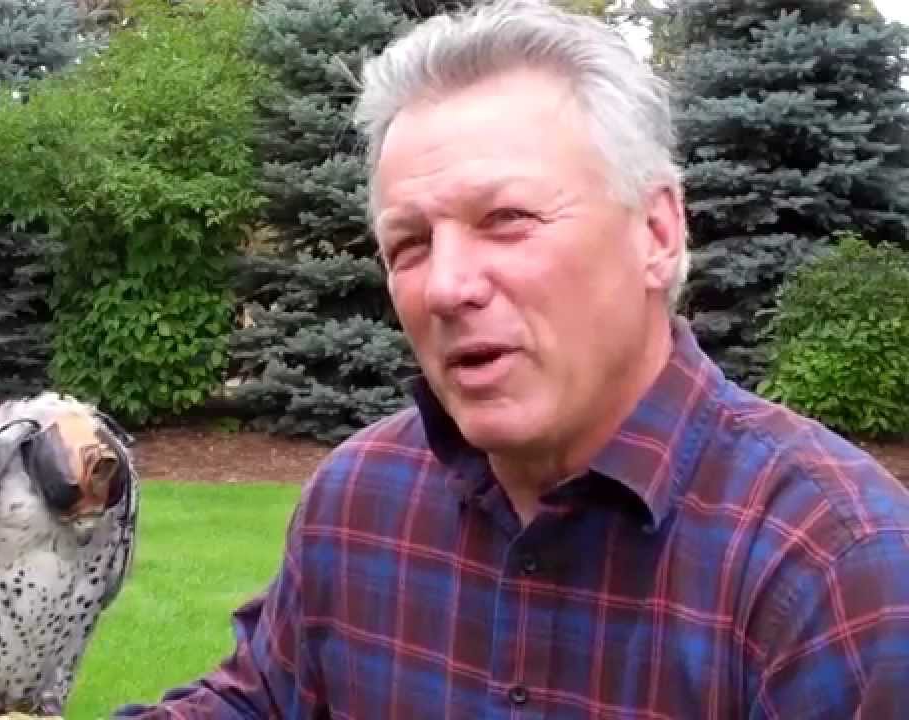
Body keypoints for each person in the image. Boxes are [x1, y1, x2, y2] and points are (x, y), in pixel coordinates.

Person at [115, 0, 909, 716]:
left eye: (506, 219)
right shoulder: (360, 498)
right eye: (410, 243)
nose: (447, 286)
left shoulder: (831, 566)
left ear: (657, 233)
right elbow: (258, 702)